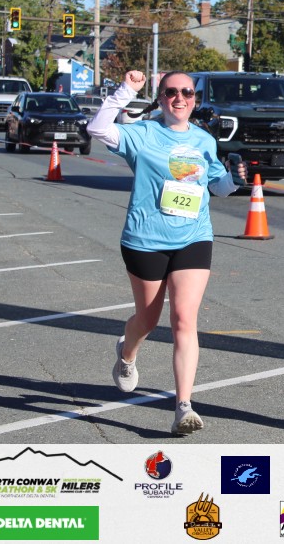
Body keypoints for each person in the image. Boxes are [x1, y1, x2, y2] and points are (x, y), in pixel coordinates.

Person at [87, 70, 246, 436]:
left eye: (187, 92)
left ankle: (183, 406)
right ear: (160, 99)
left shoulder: (204, 140)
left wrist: (235, 178)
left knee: (184, 319)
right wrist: (126, 90)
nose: (179, 98)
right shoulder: (142, 134)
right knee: (147, 319)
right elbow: (97, 128)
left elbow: (217, 187)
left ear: (195, 98)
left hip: (193, 237)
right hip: (145, 240)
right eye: (171, 92)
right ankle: (127, 354)